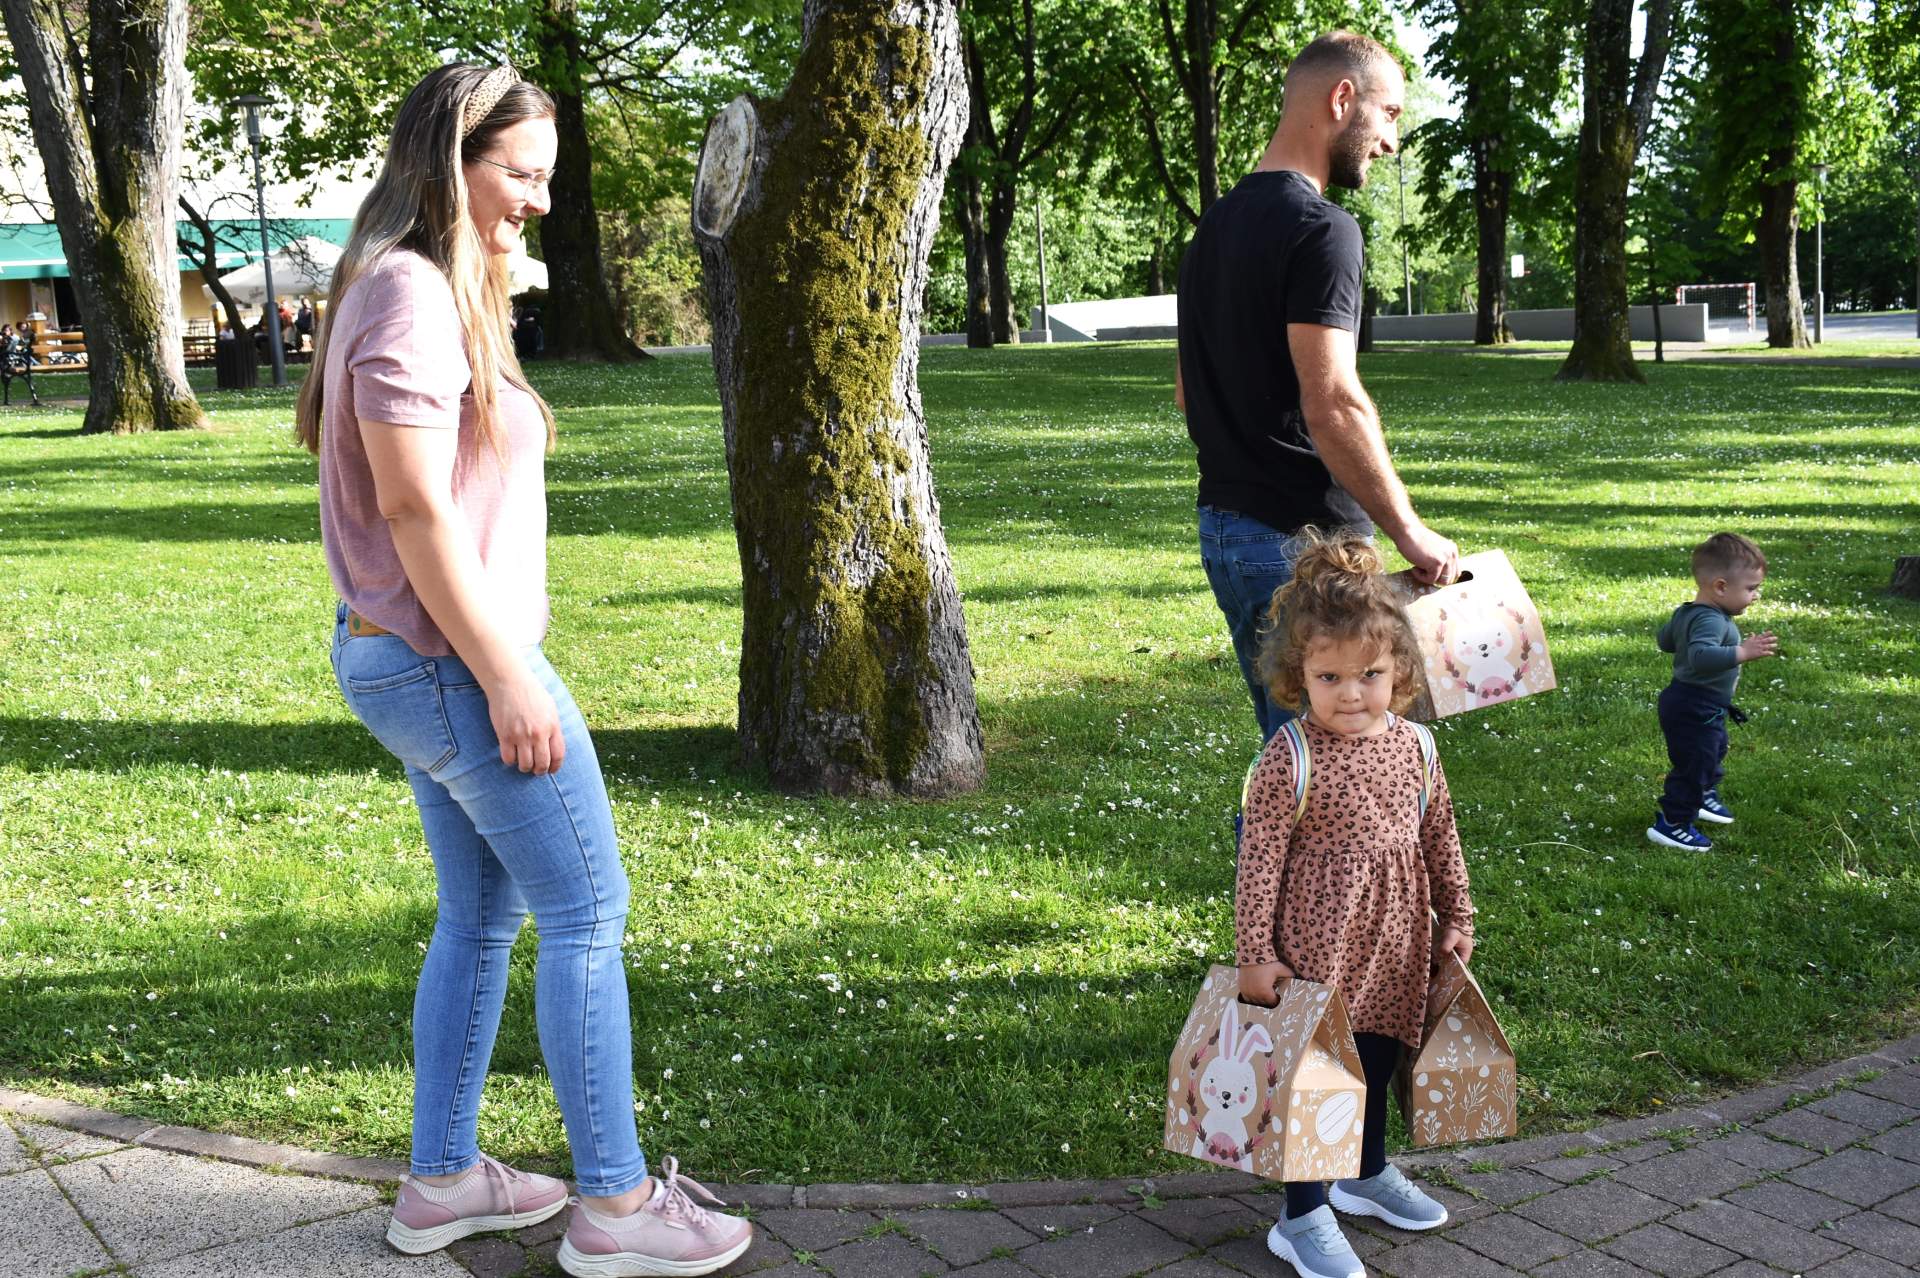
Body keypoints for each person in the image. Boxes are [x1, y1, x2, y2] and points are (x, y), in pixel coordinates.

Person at [296, 62, 752, 1277]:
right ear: (450, 162)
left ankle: (444, 1179)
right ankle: (616, 1206)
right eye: (522, 174)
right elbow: (412, 508)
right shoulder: (409, 296)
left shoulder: (418, 285)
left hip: (410, 659)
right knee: (588, 914)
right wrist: (508, 676)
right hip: (452, 662)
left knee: (484, 915)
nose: (542, 202)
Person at [1177, 31, 1459, 742]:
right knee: (1340, 766)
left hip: (1227, 533)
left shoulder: (1213, 227)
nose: (1391, 140)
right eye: (1389, 114)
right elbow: (1333, 400)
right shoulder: (1323, 229)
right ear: (1341, 98)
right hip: (1299, 545)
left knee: (1294, 755)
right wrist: (1410, 532)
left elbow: (1187, 392)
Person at [1233, 529, 1475, 1278]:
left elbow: (1440, 834)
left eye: (1369, 674)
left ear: (1401, 671)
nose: (1350, 693)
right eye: (1329, 676)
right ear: (1297, 676)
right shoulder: (1290, 757)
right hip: (1317, 942)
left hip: (1397, 936)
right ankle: (1302, 1213)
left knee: (1378, 1052)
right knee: (1317, 1071)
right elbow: (1258, 862)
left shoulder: (1416, 747)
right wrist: (1255, 955)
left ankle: (1363, 1172)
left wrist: (1458, 915)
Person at [1646, 533, 1776, 851]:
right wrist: (1742, 652)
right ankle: (1673, 823)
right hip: (1695, 705)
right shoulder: (1711, 621)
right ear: (1720, 587)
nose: (1755, 596)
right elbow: (1701, 658)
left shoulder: (1689, 612)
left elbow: (1665, 641)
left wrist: (1682, 626)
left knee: (1713, 750)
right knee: (1694, 764)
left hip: (1693, 702)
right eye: (1751, 589)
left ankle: (1703, 794)